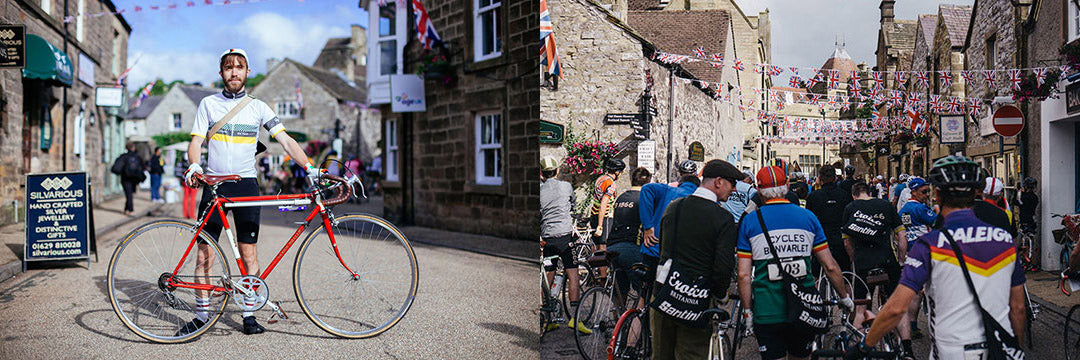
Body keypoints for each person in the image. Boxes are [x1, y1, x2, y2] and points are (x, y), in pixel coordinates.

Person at [181, 48, 314, 336]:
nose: (234, 72)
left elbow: (285, 139)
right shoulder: (208, 104)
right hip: (214, 185)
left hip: (246, 185)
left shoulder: (259, 107)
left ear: (247, 72)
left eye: (239, 67)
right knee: (205, 253)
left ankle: (249, 314)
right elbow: (195, 142)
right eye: (228, 68)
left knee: (248, 253)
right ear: (221, 73)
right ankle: (202, 315)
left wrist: (309, 166)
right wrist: (193, 164)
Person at [846, 156, 1026, 359]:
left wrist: (863, 347)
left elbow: (896, 308)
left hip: (954, 351)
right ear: (978, 193)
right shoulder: (1004, 241)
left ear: (937, 195)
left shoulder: (930, 244)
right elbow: (1018, 307)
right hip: (1002, 349)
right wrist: (1015, 348)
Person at [738, 165, 854, 360]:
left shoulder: (750, 222)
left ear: (759, 191)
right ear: (786, 186)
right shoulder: (807, 217)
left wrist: (748, 311)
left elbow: (743, 275)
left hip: (767, 308)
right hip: (803, 305)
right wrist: (844, 297)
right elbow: (830, 266)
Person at [651, 159, 743, 360]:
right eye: (732, 183)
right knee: (692, 354)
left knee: (660, 355)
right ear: (718, 182)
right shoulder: (722, 218)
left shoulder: (674, 207)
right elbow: (723, 266)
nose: (734, 190)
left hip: (663, 292)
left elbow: (664, 248)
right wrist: (721, 294)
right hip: (695, 298)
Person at [841, 181, 913, 358]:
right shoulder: (886, 206)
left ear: (854, 194)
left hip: (863, 263)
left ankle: (861, 350)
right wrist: (902, 259)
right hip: (888, 261)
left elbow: (847, 241)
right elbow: (901, 235)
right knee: (898, 306)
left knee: (860, 309)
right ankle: (907, 349)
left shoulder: (850, 208)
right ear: (869, 192)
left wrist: (853, 260)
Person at [539, 156, 591, 334]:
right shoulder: (566, 186)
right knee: (573, 275)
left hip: (548, 241)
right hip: (565, 239)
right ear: (557, 171)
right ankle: (575, 320)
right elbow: (573, 206)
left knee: (548, 276)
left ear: (541, 174)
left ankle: (548, 319)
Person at [897, 177, 936, 337]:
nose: (927, 195)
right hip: (926, 252)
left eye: (928, 191)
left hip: (910, 252)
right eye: (924, 192)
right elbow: (938, 222)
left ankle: (912, 325)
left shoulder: (903, 210)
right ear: (913, 192)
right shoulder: (921, 209)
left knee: (916, 292)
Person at [639, 171, 700, 272]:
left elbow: (646, 188)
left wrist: (648, 226)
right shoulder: (700, 199)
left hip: (654, 247)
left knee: (648, 284)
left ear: (679, 183)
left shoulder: (668, 190)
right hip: (681, 257)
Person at [607, 167, 650, 298]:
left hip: (612, 246)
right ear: (648, 182)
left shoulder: (621, 197)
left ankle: (618, 316)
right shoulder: (643, 198)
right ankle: (639, 317)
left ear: (632, 180)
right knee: (642, 288)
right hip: (631, 246)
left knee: (620, 288)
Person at [806, 165, 854, 274]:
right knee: (845, 277)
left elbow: (810, 220)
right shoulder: (845, 195)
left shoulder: (813, 197)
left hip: (820, 241)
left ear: (820, 178)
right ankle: (846, 291)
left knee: (816, 275)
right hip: (840, 239)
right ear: (835, 178)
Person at [591, 158, 625, 251]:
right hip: (605, 217)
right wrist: (600, 225)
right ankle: (603, 266)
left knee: (595, 245)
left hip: (594, 213)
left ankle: (594, 265)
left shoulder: (600, 179)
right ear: (617, 172)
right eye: (621, 172)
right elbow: (604, 203)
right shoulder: (611, 184)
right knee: (603, 246)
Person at [114, 142, 145, 216]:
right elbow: (143, 167)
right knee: (130, 194)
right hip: (134, 178)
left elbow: (117, 168)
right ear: (133, 148)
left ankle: (128, 209)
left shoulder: (123, 156)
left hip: (125, 178)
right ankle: (129, 209)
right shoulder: (137, 157)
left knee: (129, 194)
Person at [1017, 177, 1039, 241]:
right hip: (1032, 219)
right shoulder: (1035, 197)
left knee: (1021, 234)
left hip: (1024, 219)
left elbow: (1017, 202)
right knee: (1031, 235)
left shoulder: (1024, 197)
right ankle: (1031, 248)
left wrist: (1018, 191)